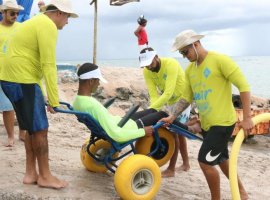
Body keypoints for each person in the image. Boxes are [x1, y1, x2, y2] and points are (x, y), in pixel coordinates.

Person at [161, 29, 253, 199]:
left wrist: (247, 118)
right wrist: (173, 116)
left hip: (223, 122)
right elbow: (186, 97)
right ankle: (241, 192)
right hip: (207, 123)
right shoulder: (190, 70)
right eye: (181, 53)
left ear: (196, 44)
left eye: (185, 52)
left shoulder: (220, 60)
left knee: (205, 161)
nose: (184, 56)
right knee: (221, 158)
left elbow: (244, 87)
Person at [0, 0, 78, 189]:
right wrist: (53, 99)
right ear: (59, 13)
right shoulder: (47, 25)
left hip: (10, 79)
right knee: (41, 129)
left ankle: (30, 173)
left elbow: (36, 66)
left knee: (29, 126)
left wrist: (44, 95)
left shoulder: (35, 21)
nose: (67, 22)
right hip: (22, 79)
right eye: (68, 17)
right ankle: (45, 175)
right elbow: (49, 65)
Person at [73, 63, 201, 143]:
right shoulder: (92, 105)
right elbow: (116, 135)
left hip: (119, 122)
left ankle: (187, 123)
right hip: (124, 127)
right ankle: (191, 128)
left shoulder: (77, 102)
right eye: (97, 81)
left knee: (152, 111)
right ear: (90, 81)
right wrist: (143, 132)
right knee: (160, 114)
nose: (99, 83)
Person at [138, 47, 195, 177]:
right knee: (179, 133)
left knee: (173, 132)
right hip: (170, 102)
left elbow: (168, 92)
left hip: (182, 100)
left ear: (156, 57)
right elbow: (153, 94)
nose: (149, 67)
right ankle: (186, 164)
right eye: (145, 65)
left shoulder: (171, 64)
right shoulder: (147, 71)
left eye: (150, 63)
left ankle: (171, 169)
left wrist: (153, 110)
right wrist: (152, 110)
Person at [0, 0, 26, 146]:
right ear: (3, 12)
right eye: (12, 13)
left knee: (20, 104)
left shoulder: (22, 28)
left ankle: (22, 133)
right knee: (7, 106)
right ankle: (11, 136)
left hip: (19, 73)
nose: (15, 15)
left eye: (17, 13)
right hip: (1, 74)